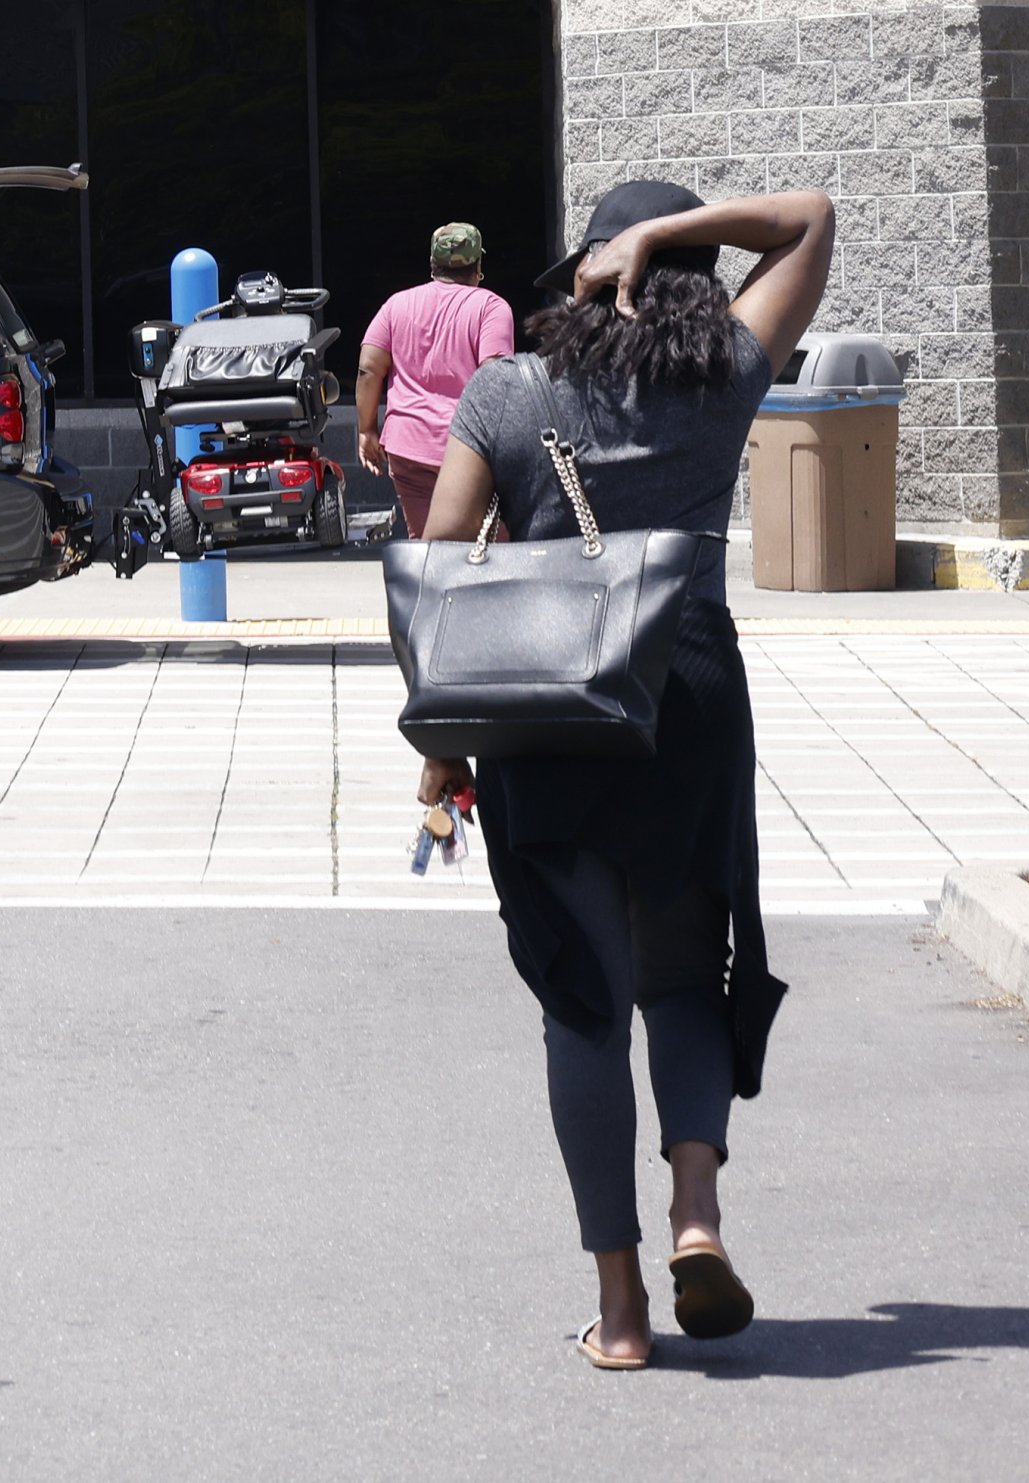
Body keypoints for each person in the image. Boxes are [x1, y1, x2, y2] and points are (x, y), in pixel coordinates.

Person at [415, 178, 834, 1372]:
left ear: (589, 276)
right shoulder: (726, 373)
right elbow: (810, 218)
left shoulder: (509, 391)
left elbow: (439, 562)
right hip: (688, 691)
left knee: (583, 1006)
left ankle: (624, 1310)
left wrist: (444, 749)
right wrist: (672, 236)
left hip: (547, 705)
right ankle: (697, 1211)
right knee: (685, 977)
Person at [357, 222, 514, 539]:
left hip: (408, 448)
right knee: (490, 546)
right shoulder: (491, 308)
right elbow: (494, 379)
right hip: (469, 448)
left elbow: (368, 370)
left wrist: (367, 430)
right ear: (478, 266)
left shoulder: (397, 305)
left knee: (428, 546)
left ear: (432, 263)